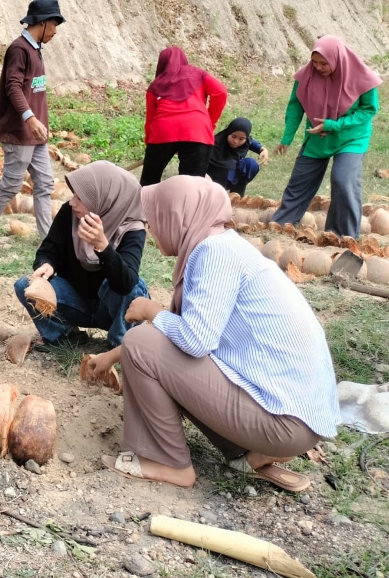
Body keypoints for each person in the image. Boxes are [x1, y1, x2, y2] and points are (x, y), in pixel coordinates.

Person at [96, 176, 340, 491]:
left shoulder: (214, 253)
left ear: (177, 217)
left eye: (155, 220)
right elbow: (176, 341)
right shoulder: (226, 246)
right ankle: (245, 453)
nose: (151, 230)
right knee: (149, 346)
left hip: (282, 421)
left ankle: (167, 461)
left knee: (140, 341)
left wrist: (152, 311)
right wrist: (111, 356)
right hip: (296, 416)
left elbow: (192, 341)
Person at [14, 161, 149, 349]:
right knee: (25, 285)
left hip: (111, 310)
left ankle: (119, 345)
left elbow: (125, 283)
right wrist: (47, 263)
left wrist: (103, 246)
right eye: (73, 195)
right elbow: (49, 249)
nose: (72, 202)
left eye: (80, 197)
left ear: (103, 200)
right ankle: (65, 335)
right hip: (76, 302)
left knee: (135, 288)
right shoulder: (69, 213)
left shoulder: (132, 229)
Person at [271, 36, 381, 237]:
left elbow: (368, 110)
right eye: (314, 62)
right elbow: (295, 107)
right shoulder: (307, 75)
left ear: (337, 59)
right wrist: (286, 138)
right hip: (318, 135)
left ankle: (342, 236)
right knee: (300, 180)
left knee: (343, 179)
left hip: (351, 137)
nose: (318, 67)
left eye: (324, 63)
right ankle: (281, 225)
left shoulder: (362, 77)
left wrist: (334, 124)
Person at [0, 0, 62, 246]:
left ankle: (48, 240)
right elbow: (13, 87)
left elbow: (33, 91)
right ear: (43, 22)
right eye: (55, 24)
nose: (56, 31)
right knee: (12, 184)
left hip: (36, 134)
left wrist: (40, 122)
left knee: (44, 184)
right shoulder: (19, 49)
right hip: (19, 131)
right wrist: (30, 118)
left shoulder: (35, 49)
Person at [140, 47, 227, 186]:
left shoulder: (156, 85)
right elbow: (221, 92)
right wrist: (209, 122)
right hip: (197, 130)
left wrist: (152, 149)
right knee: (192, 185)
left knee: (148, 183)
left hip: (163, 131)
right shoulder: (199, 74)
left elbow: (150, 119)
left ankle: (144, 201)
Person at [206, 117, 269, 196]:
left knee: (250, 164)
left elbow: (251, 142)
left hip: (231, 175)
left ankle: (236, 194)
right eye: (233, 136)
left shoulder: (246, 141)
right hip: (213, 179)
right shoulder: (215, 144)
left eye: (241, 139)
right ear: (229, 132)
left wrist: (263, 149)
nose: (236, 141)